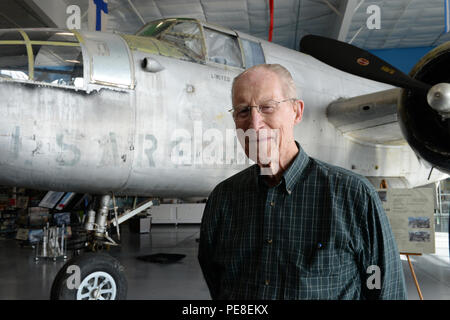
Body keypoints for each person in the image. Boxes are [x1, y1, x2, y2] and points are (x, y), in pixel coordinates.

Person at [198, 63, 407, 300]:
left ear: (296, 112)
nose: (254, 125)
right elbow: (217, 281)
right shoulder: (223, 199)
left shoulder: (353, 196)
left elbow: (384, 289)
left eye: (267, 107)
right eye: (243, 111)